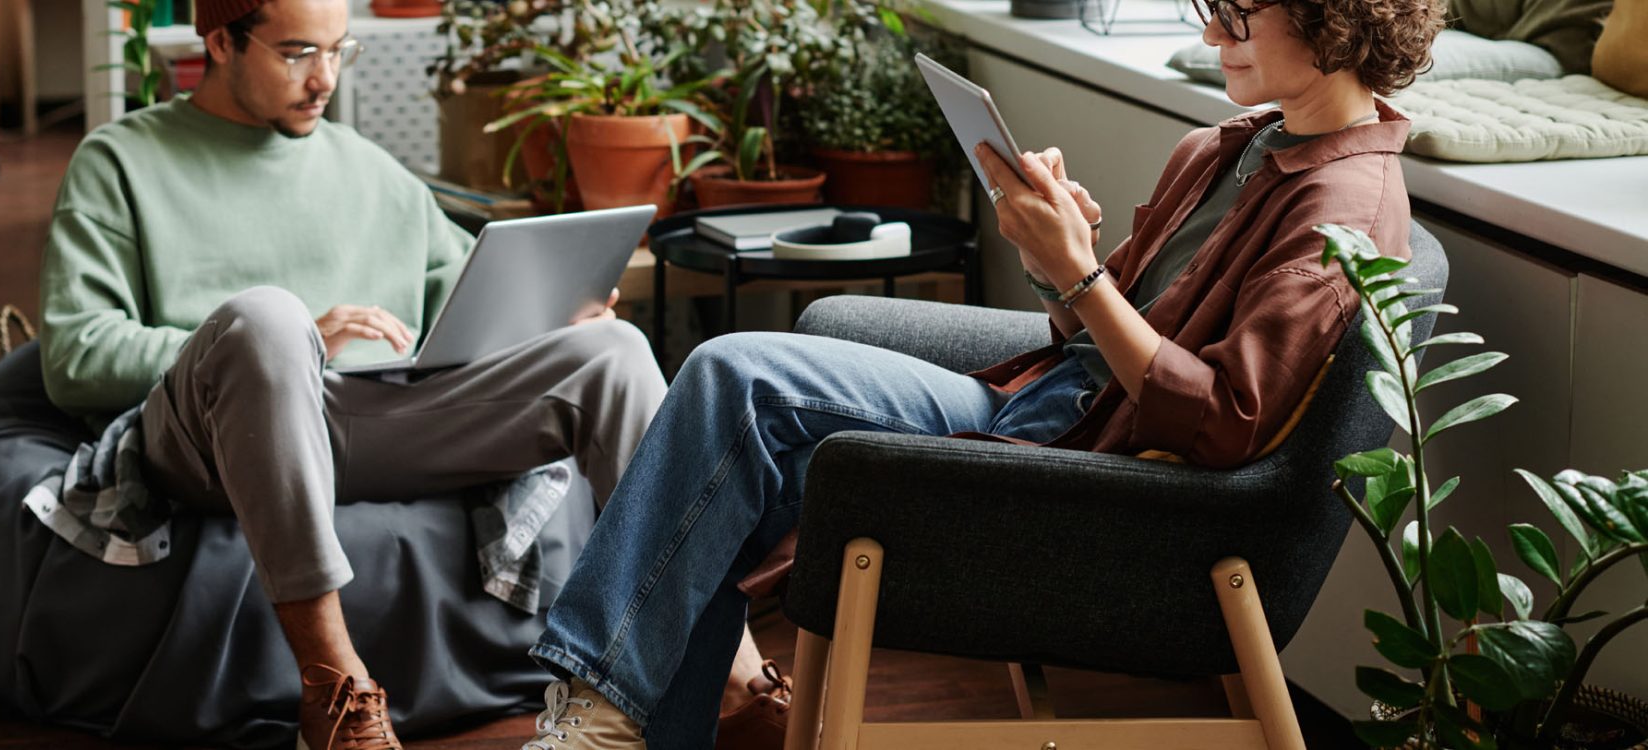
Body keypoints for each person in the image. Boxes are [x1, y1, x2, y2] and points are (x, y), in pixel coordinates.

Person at [516, 0, 1443, 745]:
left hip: (1097, 478)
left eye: (1238, 14)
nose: (1209, 34)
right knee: (728, 468)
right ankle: (623, 726)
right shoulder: (1230, 146)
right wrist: (1058, 258)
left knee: (732, 377)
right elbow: (1105, 324)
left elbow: (1220, 425)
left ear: (1335, 21)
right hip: (1046, 403)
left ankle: (596, 716)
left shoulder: (1343, 213)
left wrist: (1080, 271)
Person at [36, 0, 785, 746]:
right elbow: (74, 356)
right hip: (209, 431)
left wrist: (556, 315)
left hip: (375, 420)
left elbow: (475, 303)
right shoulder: (120, 160)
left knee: (613, 350)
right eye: (298, 52)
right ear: (220, 41)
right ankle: (336, 688)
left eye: (340, 51)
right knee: (269, 318)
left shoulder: (367, 168)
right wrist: (301, 337)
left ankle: (732, 676)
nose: (324, 77)